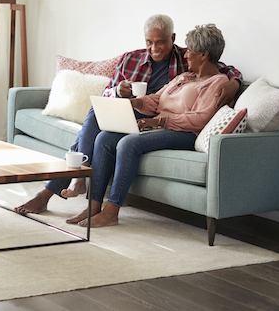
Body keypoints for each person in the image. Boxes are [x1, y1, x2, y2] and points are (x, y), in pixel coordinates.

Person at [14, 15, 243, 215]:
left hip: (157, 120)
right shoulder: (136, 60)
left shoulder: (186, 60)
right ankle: (78, 181)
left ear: (173, 39)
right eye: (149, 42)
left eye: (160, 42)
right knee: (97, 112)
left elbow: (219, 68)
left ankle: (66, 184)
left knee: (110, 137)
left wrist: (235, 82)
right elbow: (113, 93)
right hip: (136, 108)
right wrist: (119, 93)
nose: (154, 48)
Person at [67, 23, 230, 227]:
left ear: (204, 54)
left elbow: (201, 118)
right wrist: (134, 103)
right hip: (160, 126)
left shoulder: (218, 83)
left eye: (191, 51)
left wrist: (159, 121)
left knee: (128, 144)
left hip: (185, 133)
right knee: (105, 138)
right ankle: (93, 205)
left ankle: (112, 210)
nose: (186, 55)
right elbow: (157, 99)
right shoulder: (184, 78)